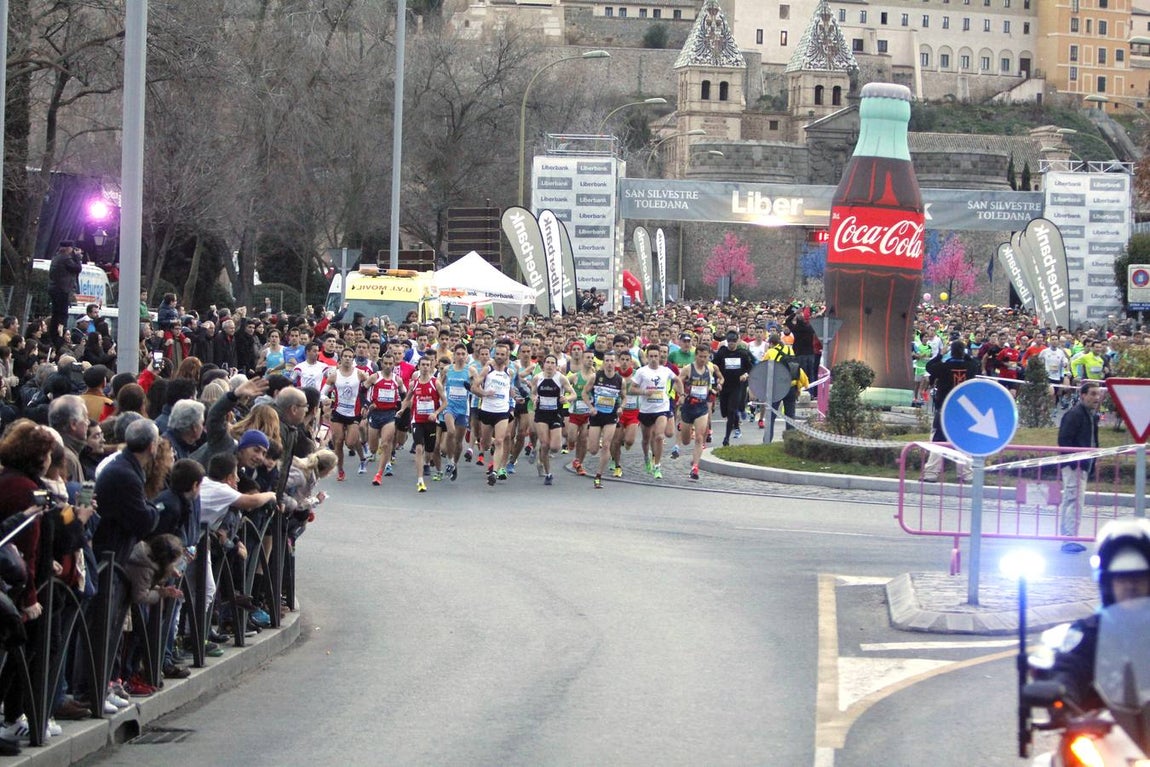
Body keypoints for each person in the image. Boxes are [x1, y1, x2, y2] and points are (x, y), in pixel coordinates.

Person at [1049, 518, 1150, 710]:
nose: (1130, 586)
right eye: (1121, 578)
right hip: (1100, 733)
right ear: (1107, 583)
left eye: (1138, 577)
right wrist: (1061, 692)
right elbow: (1068, 666)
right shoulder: (1088, 631)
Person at [922, 340, 981, 483]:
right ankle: (966, 474)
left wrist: (939, 355)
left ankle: (931, 473)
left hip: (945, 410)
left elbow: (929, 367)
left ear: (950, 351)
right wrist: (966, 355)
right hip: (964, 411)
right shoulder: (970, 367)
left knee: (938, 441)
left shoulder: (943, 367)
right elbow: (976, 365)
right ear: (964, 352)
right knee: (964, 442)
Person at [1057, 382, 1102, 554]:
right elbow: (1064, 440)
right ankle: (1068, 539)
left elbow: (1092, 441)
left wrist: (1093, 461)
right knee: (1073, 501)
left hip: (1083, 465)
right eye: (1092, 394)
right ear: (1083, 395)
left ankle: (1070, 537)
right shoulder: (1075, 415)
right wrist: (1075, 462)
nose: (1096, 398)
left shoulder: (1090, 415)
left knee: (1076, 501)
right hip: (1075, 465)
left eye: (1098, 394)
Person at [48, 242, 82, 345]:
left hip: (54, 289)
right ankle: (60, 335)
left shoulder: (56, 257)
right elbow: (77, 268)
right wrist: (77, 257)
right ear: (68, 248)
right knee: (62, 315)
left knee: (56, 314)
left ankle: (55, 334)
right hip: (62, 290)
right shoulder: (66, 259)